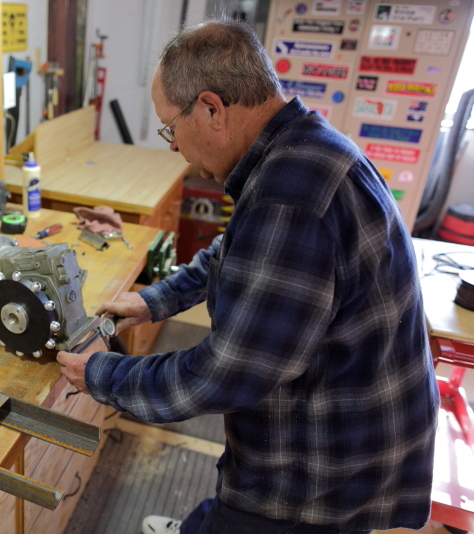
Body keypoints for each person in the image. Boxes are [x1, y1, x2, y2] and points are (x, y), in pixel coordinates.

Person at [57, 18, 439, 534]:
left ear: (212, 108)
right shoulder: (301, 149)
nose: (173, 146)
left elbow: (222, 375)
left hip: (326, 466)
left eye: (171, 127)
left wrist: (101, 373)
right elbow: (238, 249)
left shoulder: (290, 196)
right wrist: (156, 300)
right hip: (348, 423)